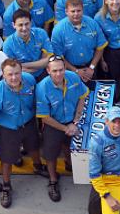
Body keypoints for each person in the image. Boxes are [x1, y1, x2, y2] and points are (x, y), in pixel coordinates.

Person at [0, 58, 47, 208]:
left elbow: (35, 100)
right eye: (10, 74)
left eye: (17, 73)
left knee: (33, 146)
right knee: (7, 159)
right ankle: (7, 186)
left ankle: (37, 166)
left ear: (22, 72)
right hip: (8, 129)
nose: (14, 77)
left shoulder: (30, 80)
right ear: (3, 75)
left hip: (29, 122)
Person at [35, 56, 88, 202]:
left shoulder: (73, 78)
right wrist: (65, 128)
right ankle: (53, 181)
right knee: (50, 155)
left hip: (72, 120)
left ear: (65, 68)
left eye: (61, 70)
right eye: (54, 71)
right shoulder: (42, 88)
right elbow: (44, 117)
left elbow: (82, 97)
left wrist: (75, 122)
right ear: (48, 71)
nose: (58, 74)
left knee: (69, 145)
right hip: (53, 124)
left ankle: (69, 163)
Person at [51, 0, 107, 86]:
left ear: (83, 10)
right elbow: (59, 57)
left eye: (78, 11)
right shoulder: (58, 30)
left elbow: (100, 47)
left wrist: (91, 67)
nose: (76, 14)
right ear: (66, 12)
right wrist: (76, 71)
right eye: (73, 11)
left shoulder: (92, 24)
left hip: (91, 68)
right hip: (70, 71)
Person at [1, 9, 53, 81]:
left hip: (44, 73)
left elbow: (50, 59)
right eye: (20, 25)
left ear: (31, 23)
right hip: (22, 78)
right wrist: (41, 62)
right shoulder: (8, 44)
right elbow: (14, 69)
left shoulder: (41, 33)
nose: (24, 28)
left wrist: (23, 65)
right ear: (13, 25)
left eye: (27, 24)